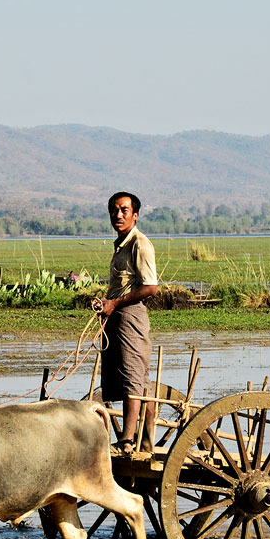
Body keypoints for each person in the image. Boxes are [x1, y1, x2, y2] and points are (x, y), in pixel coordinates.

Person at [98, 192, 158, 455]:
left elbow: (150, 287)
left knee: (133, 376)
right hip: (115, 314)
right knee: (119, 379)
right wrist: (106, 303)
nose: (118, 215)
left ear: (135, 214)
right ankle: (136, 440)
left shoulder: (140, 244)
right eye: (114, 210)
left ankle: (127, 440)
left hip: (130, 315)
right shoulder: (121, 244)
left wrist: (116, 303)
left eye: (124, 210)